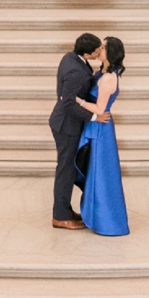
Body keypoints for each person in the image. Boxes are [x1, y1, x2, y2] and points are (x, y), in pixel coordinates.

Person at [48, 33, 108, 229]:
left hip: (67, 122)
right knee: (66, 170)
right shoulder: (77, 72)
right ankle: (60, 216)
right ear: (87, 52)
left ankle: (65, 209)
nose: (100, 52)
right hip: (66, 126)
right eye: (97, 50)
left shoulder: (71, 57)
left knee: (68, 168)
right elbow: (68, 104)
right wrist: (94, 117)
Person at [74, 37, 129, 235]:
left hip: (100, 128)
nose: (99, 49)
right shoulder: (103, 73)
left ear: (110, 53)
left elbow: (99, 108)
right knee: (97, 173)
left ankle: (108, 222)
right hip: (98, 126)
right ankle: (100, 217)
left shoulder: (108, 78)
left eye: (103, 47)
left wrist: (77, 101)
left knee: (101, 174)